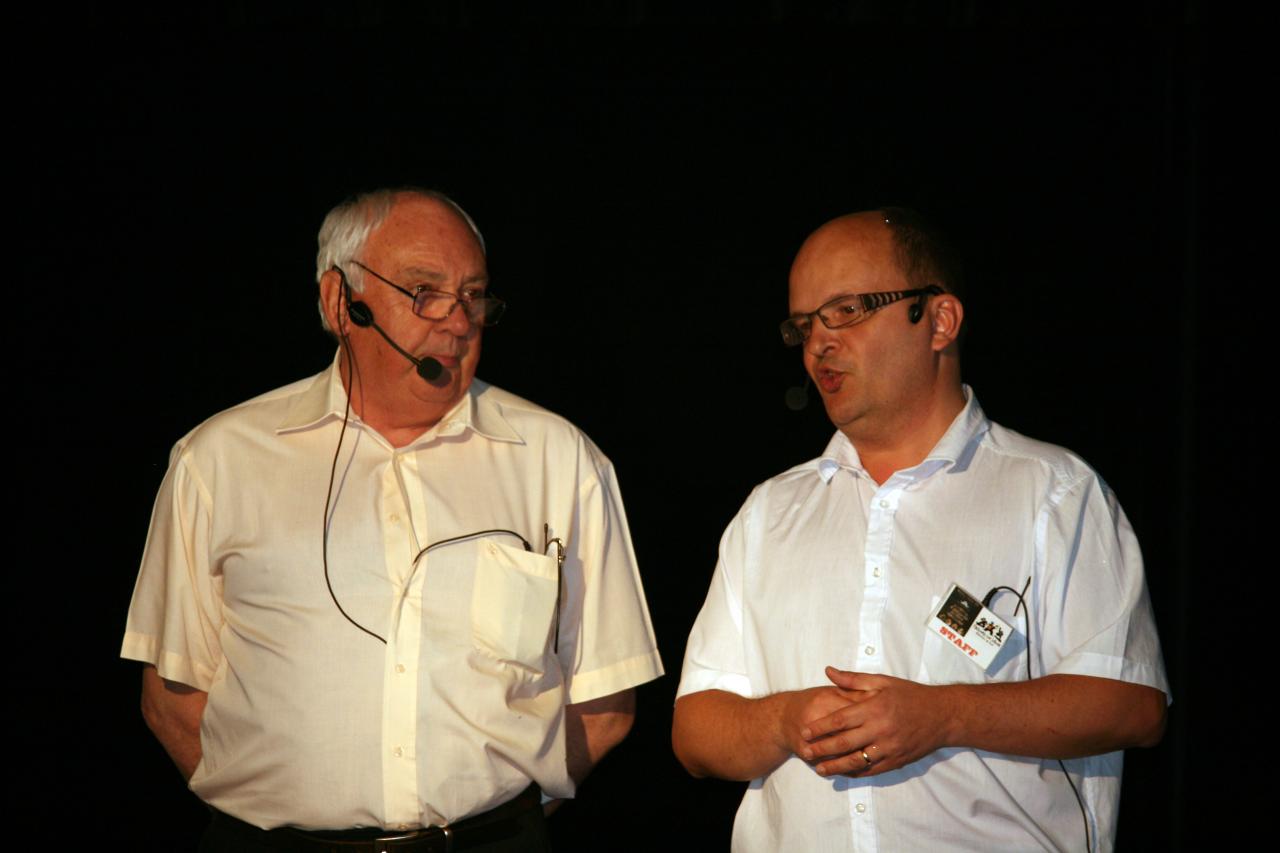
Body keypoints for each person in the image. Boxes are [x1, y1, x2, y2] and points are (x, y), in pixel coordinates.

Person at [123, 187, 663, 851]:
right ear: (340, 302)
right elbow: (173, 699)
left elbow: (606, 703)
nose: (458, 322)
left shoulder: (558, 457)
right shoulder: (219, 459)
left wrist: (501, 822)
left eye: (473, 295)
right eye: (424, 292)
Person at [671, 209, 1167, 852]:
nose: (819, 343)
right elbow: (696, 730)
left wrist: (943, 715)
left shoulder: (1054, 493)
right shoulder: (771, 512)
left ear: (939, 321)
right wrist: (785, 720)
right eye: (804, 324)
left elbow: (1131, 704)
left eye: (846, 310)